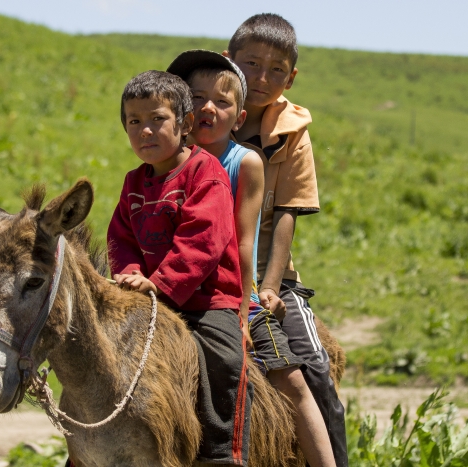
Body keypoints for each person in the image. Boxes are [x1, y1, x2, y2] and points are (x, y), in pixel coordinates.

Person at [167, 50, 335, 467]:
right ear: (180, 109)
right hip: (173, 289)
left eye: (222, 102)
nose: (208, 107)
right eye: (196, 98)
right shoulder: (163, 161)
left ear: (239, 119)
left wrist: (246, 303)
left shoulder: (245, 162)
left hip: (228, 291)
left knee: (290, 378)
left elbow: (244, 241)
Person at [107, 70, 251, 466]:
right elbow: (121, 237)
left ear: (185, 124)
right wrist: (129, 274)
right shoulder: (133, 181)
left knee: (224, 357)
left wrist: (158, 284)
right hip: (148, 293)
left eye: (157, 119)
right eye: (134, 122)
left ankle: (223, 450)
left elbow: (203, 242)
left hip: (206, 300)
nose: (145, 131)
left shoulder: (206, 174)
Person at [224, 13, 349, 466]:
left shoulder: (293, 133)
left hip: (266, 271)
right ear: (228, 60)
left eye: (276, 70)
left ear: (291, 77)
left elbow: (287, 216)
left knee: (315, 370)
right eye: (251, 64)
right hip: (204, 264)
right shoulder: (202, 117)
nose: (261, 78)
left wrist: (270, 286)